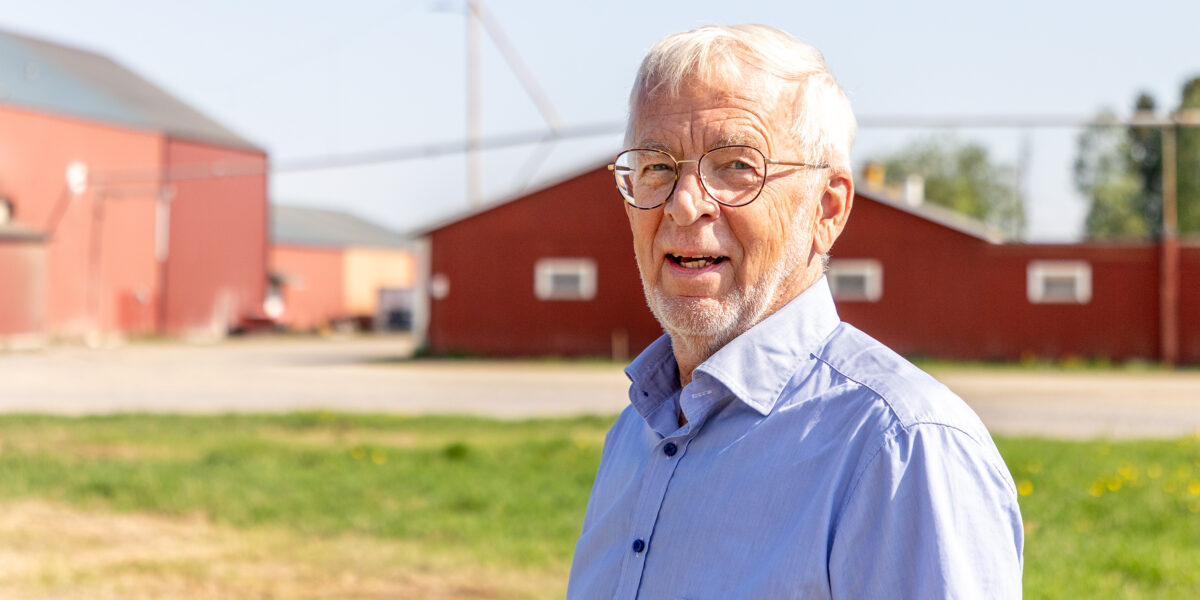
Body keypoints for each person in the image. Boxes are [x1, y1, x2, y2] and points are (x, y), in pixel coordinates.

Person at [566, 24, 1023, 599]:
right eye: (657, 166)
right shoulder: (636, 434)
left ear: (826, 210)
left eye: (736, 165)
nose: (683, 204)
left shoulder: (900, 449)